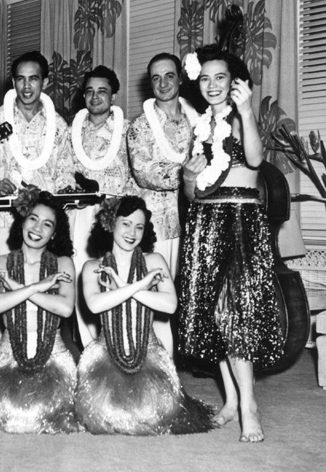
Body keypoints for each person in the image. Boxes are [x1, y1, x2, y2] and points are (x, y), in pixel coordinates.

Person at [178, 45, 284, 443]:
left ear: (234, 81)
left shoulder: (240, 119)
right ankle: (230, 402)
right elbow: (194, 193)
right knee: (211, 315)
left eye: (219, 77)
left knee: (234, 314)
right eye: (204, 78)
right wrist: (189, 178)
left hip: (240, 220)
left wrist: (248, 111)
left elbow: (255, 161)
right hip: (205, 221)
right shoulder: (201, 127)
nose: (211, 85)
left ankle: (249, 405)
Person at [76, 196, 214, 435]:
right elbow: (96, 305)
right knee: (104, 415)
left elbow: (170, 305)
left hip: (148, 352)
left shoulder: (154, 260)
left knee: (155, 414)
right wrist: (142, 285)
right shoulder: (93, 266)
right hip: (106, 354)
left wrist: (121, 286)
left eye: (139, 227)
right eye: (126, 224)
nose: (132, 232)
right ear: (110, 224)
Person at [0, 51, 77, 364]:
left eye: (33, 78)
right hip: (6, 217)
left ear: (44, 81)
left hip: (42, 221)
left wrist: (52, 193)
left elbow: (66, 171)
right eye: (20, 78)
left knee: (41, 281)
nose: (27, 85)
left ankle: (42, 349)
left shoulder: (57, 123)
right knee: (6, 280)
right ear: (13, 82)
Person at [0, 188, 79, 434]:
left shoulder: (63, 263)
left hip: (53, 355)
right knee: (4, 417)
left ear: (53, 234)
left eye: (47, 224)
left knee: (52, 416)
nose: (37, 228)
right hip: (8, 354)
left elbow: (65, 308)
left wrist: (18, 289)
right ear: (22, 222)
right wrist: (38, 287)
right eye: (33, 219)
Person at [127, 53, 199, 358]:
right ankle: (146, 359)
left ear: (180, 78)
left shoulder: (200, 121)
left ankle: (182, 355)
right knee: (154, 290)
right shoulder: (139, 127)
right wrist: (189, 175)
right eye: (155, 78)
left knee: (189, 289)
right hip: (158, 221)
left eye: (169, 75)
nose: (163, 83)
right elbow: (145, 172)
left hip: (195, 218)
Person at [69, 65, 138, 348]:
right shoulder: (71, 130)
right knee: (82, 278)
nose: (95, 97)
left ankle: (119, 347)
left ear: (113, 96)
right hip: (79, 214)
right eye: (90, 91)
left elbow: (137, 177)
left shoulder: (129, 130)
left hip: (114, 214)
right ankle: (89, 351)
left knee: (115, 278)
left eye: (102, 91)